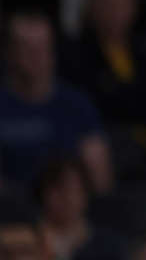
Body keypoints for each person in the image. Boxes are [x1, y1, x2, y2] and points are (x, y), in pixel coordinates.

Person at [0, 13, 113, 194]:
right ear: (8, 53)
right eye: (26, 48)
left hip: (66, 209)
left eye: (42, 47)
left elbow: (100, 181)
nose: (36, 56)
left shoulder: (77, 105)